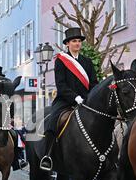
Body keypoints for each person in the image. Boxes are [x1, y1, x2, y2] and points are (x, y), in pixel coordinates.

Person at [40, 27, 99, 171]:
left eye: (79, 41)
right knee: (52, 121)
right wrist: (75, 97)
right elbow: (61, 84)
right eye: (74, 41)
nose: (77, 44)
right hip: (65, 100)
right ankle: (47, 156)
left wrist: (89, 97)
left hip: (86, 101)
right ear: (67, 44)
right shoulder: (61, 61)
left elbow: (94, 83)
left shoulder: (87, 62)